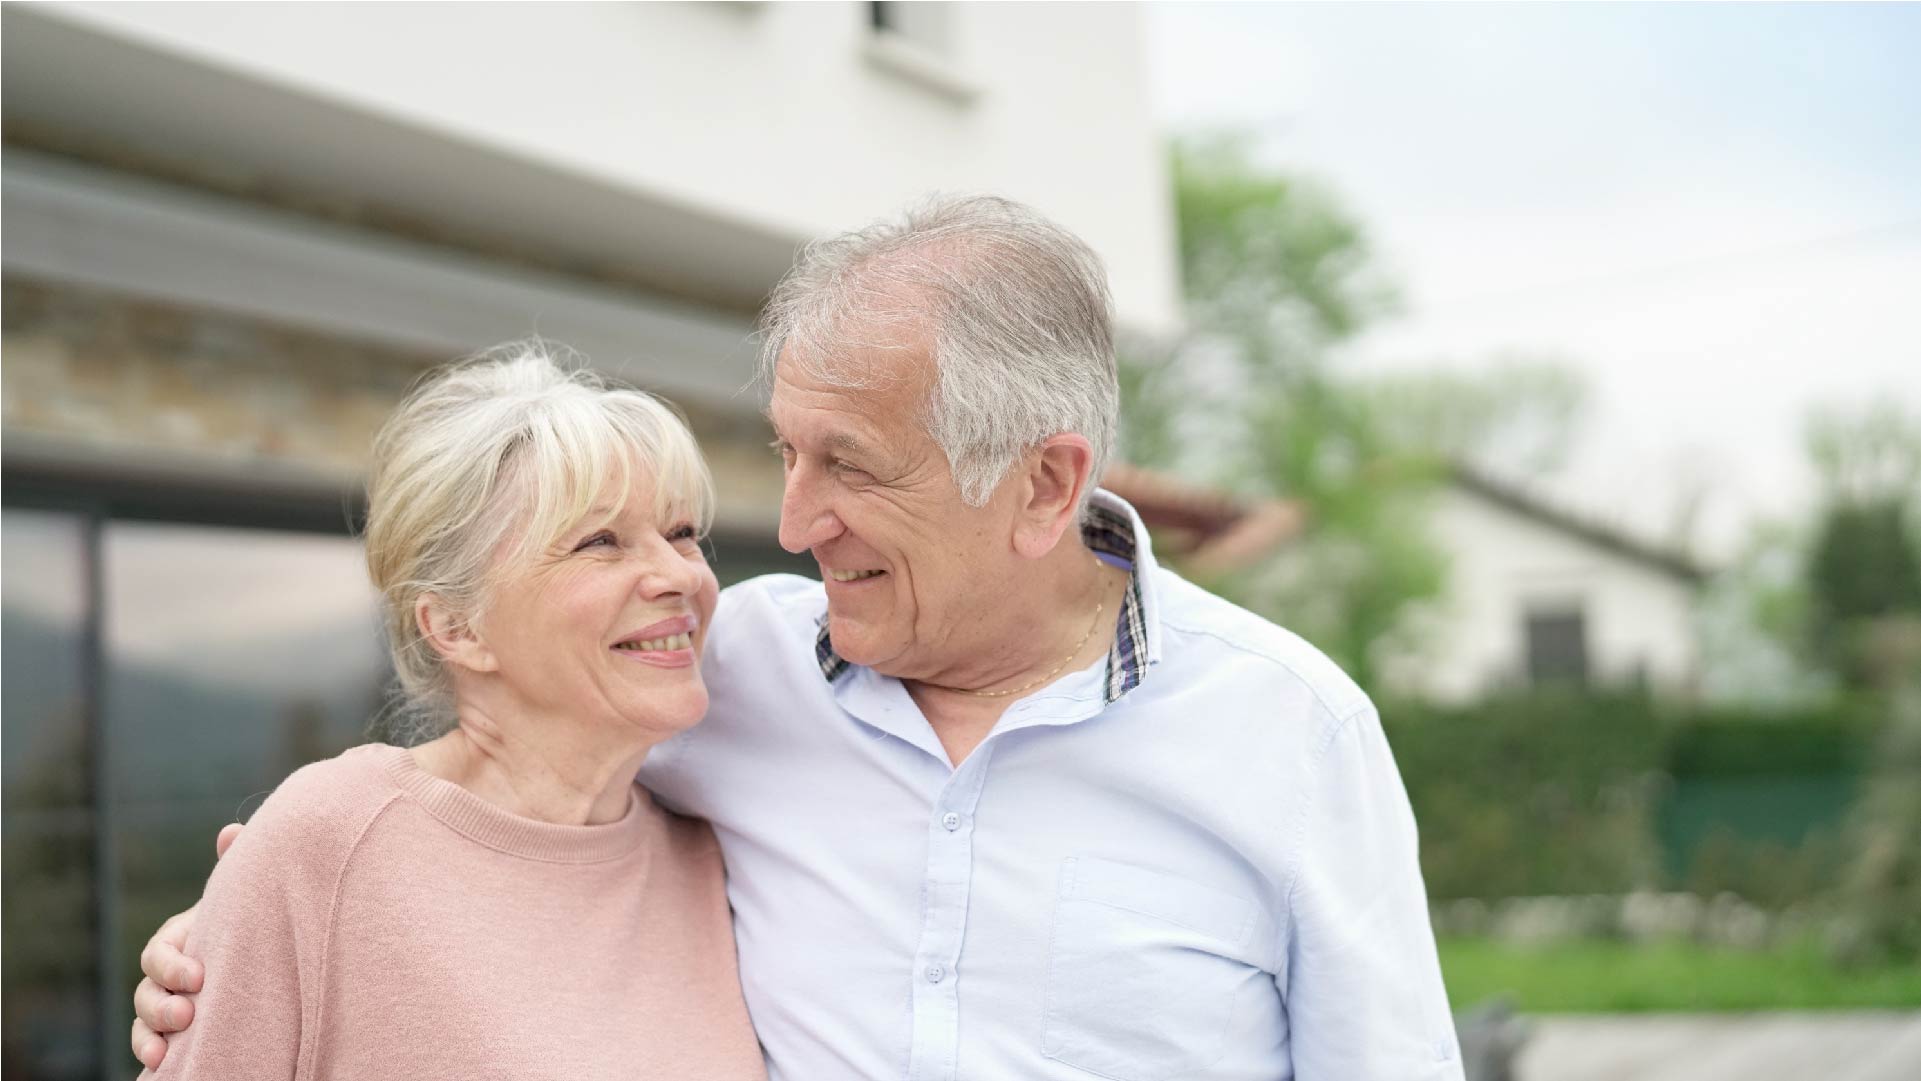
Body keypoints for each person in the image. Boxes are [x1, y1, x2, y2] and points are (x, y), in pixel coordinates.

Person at [137, 196, 1462, 1080]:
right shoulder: (732, 678)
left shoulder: (1289, 734)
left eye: (852, 464)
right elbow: (492, 779)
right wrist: (258, 913)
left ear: (1047, 487)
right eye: (783, 451)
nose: (793, 521)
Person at [136, 350, 766, 1079]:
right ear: (458, 628)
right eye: (601, 541)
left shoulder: (714, 853)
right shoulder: (326, 841)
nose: (682, 573)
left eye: (683, 532)